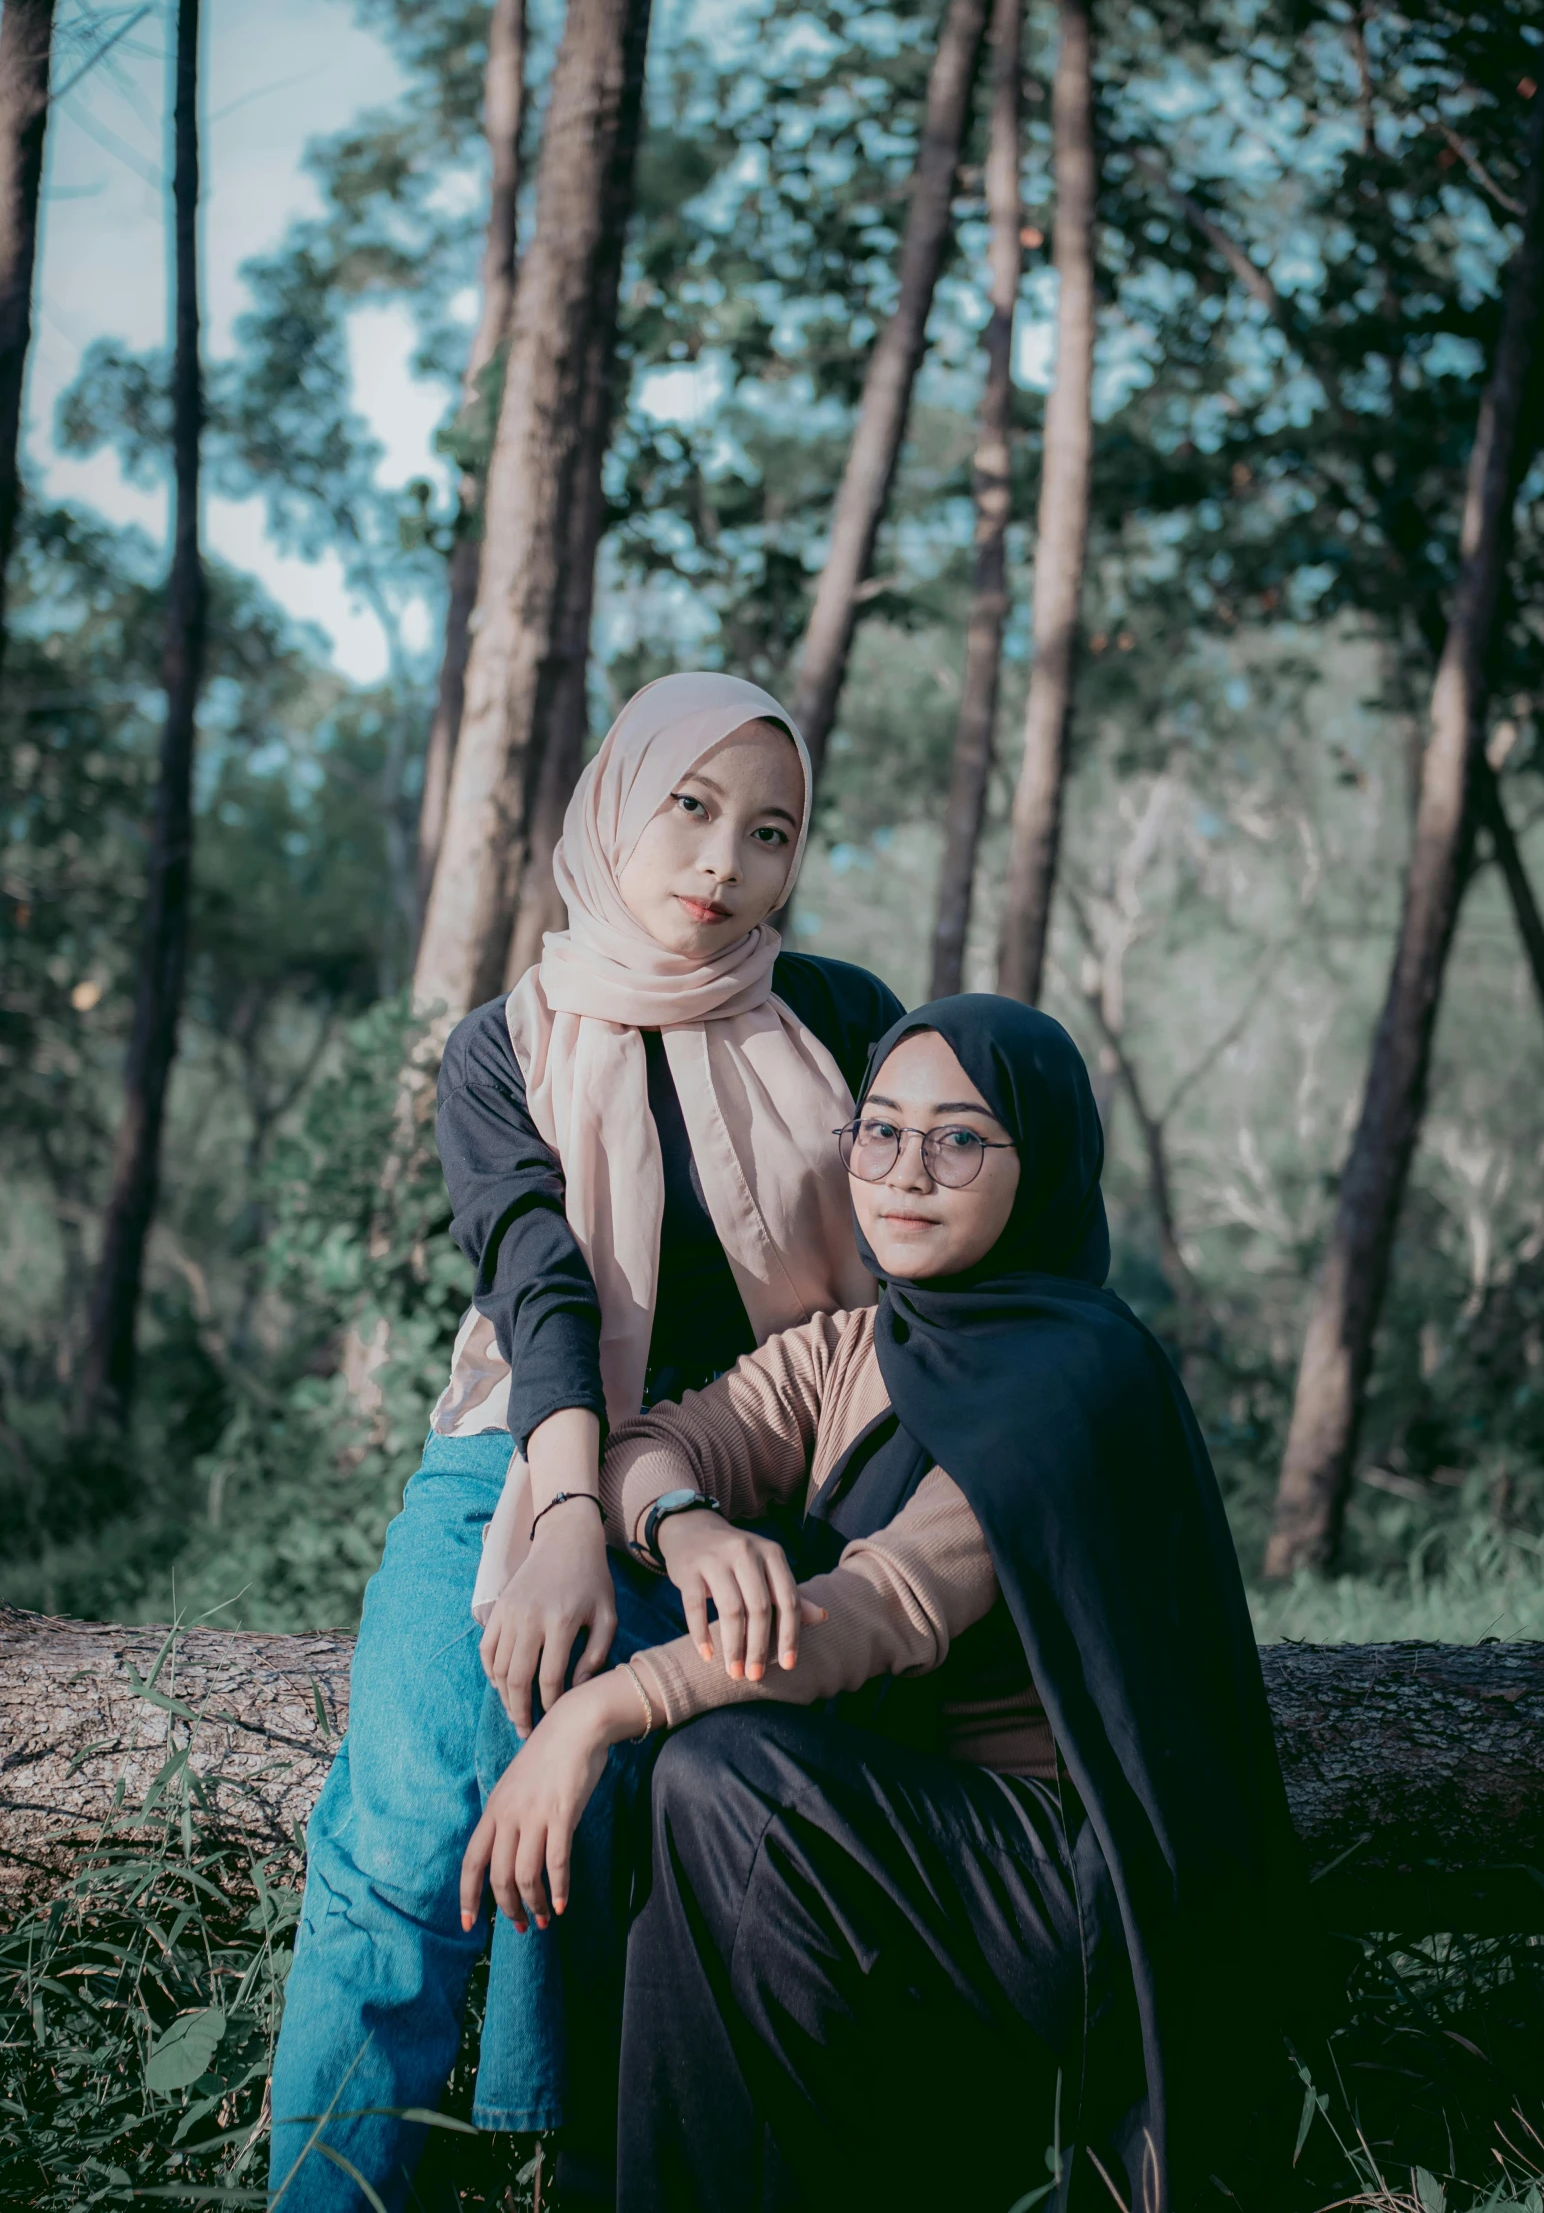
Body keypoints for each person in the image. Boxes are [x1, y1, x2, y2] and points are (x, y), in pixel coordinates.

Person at [462, 994, 1311, 2212]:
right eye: (879, 1131)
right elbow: (650, 1438)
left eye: (960, 1139)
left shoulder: (1074, 1377)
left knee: (723, 1774)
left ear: (1046, 1161)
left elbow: (880, 1609)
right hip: (910, 1845)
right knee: (714, 1782)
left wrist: (593, 1716)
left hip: (1072, 1882)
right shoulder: (861, 1344)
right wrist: (681, 1521)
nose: (906, 1172)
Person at [267, 672, 902, 2213]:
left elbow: (910, 1256)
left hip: (767, 1467)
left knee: (687, 1820)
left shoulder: (839, 1018)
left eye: (768, 831)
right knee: (402, 1836)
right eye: (689, 809)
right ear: (617, 803)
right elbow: (537, 1273)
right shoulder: (505, 1043)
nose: (722, 864)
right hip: (520, 1441)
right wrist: (562, 1510)